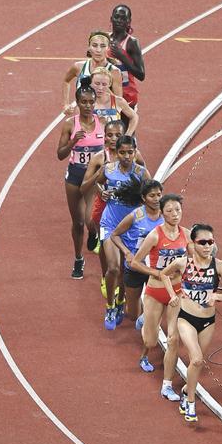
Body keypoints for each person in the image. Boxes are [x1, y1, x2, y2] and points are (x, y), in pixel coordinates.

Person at [159, 224, 222, 422]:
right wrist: (172, 295)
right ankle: (191, 404)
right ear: (193, 244)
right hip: (186, 318)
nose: (207, 246)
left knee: (198, 362)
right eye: (202, 242)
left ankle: (187, 391)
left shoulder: (219, 266)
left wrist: (217, 297)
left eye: (210, 242)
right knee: (195, 359)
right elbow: (163, 274)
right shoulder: (182, 263)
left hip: (208, 321)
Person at [129, 194, 190, 399]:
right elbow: (135, 262)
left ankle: (166, 386)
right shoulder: (155, 235)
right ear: (162, 213)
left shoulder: (187, 235)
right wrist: (156, 273)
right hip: (155, 292)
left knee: (173, 339)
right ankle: (145, 322)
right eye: (170, 210)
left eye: (178, 210)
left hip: (177, 292)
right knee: (151, 341)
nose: (175, 214)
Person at [94, 135, 150, 329]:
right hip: (110, 224)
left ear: (135, 152)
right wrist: (101, 192)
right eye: (122, 152)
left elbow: (152, 195)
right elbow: (98, 183)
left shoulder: (141, 173)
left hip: (132, 228)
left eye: (130, 152)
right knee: (113, 268)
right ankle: (110, 305)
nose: (126, 156)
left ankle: (120, 301)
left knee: (127, 270)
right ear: (116, 153)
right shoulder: (108, 169)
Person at [57, 85, 105, 279]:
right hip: (75, 175)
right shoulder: (70, 124)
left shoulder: (102, 122)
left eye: (91, 102)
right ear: (77, 103)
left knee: (90, 219)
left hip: (93, 176)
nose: (87, 105)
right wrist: (72, 142)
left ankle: (93, 234)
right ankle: (78, 259)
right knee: (77, 222)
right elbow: (60, 155)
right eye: (83, 102)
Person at [109, 180, 163, 327]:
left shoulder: (166, 215)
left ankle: (148, 327)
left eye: (159, 194)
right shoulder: (135, 216)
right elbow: (114, 235)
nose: (157, 198)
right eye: (152, 195)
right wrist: (126, 252)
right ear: (144, 198)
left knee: (154, 308)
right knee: (133, 315)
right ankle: (121, 301)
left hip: (155, 268)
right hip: (135, 267)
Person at [62, 31, 122, 113]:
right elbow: (66, 81)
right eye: (94, 45)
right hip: (82, 119)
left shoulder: (114, 71)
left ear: (108, 48)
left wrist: (102, 87)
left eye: (103, 46)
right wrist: (66, 104)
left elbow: (119, 104)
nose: (98, 50)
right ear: (89, 47)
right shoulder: (78, 67)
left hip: (104, 120)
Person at [108, 5, 145, 111]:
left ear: (129, 21)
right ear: (111, 19)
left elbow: (141, 74)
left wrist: (122, 57)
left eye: (123, 18)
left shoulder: (132, 43)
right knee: (108, 127)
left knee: (126, 127)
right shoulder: (104, 40)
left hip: (127, 96)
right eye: (116, 17)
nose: (119, 21)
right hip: (108, 96)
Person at [89, 67, 139, 134]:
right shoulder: (85, 103)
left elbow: (134, 117)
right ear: (91, 83)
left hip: (113, 143)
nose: (100, 88)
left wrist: (128, 134)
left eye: (104, 84)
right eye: (97, 84)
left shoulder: (118, 101)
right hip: (93, 143)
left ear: (109, 84)